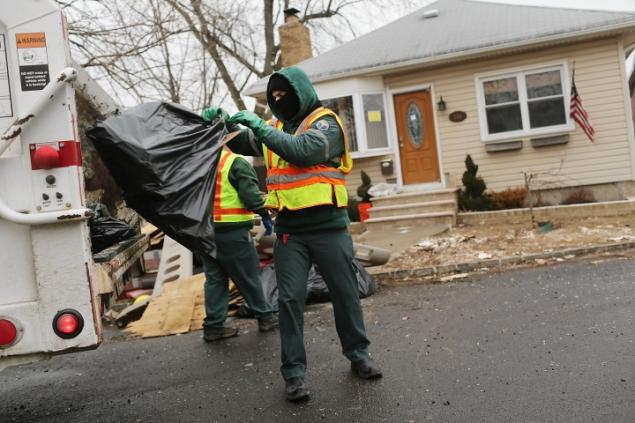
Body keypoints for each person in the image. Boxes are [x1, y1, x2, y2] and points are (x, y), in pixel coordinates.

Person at [210, 66, 382, 401]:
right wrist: (225, 123)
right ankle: (293, 374)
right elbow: (246, 141)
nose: (278, 101)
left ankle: (358, 355)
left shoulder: (325, 122)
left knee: (345, 293)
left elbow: (304, 150)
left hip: (329, 229)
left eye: (283, 94)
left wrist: (259, 126)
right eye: (273, 97)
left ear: (301, 91)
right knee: (289, 300)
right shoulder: (273, 127)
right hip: (290, 231)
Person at [195, 122, 278, 341]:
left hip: (205, 232)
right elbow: (251, 197)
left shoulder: (198, 164)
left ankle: (214, 326)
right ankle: (266, 317)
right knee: (248, 275)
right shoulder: (234, 162)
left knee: (215, 280)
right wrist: (265, 214)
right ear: (228, 140)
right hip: (232, 232)